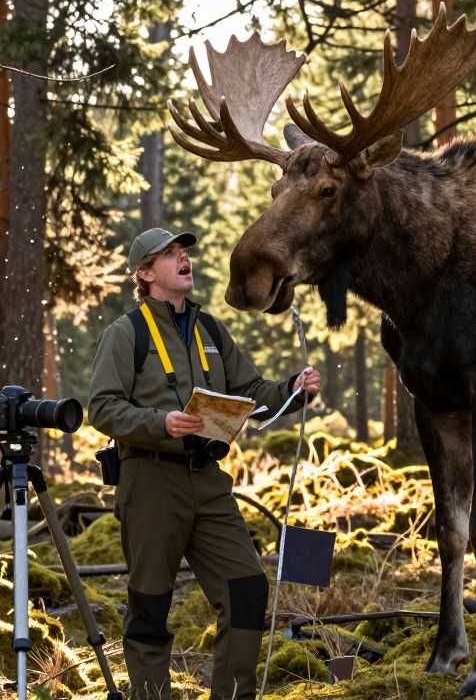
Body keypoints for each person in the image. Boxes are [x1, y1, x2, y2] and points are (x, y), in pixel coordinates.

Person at [89, 227, 321, 700]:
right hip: (149, 480)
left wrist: (293, 389)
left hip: (209, 482)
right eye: (169, 255)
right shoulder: (126, 333)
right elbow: (102, 408)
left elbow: (252, 394)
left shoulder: (210, 329)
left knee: (248, 589)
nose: (183, 259)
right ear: (145, 273)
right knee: (150, 604)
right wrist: (160, 422)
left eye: (184, 252)